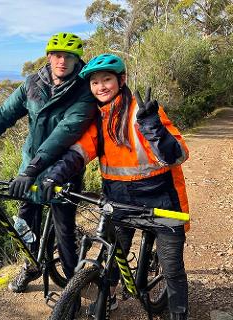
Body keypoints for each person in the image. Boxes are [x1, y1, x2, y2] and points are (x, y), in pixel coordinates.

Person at [0, 32, 97, 292]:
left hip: (63, 170)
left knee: (64, 233)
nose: (62, 61)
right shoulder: (33, 83)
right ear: (49, 57)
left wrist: (32, 170)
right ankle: (31, 266)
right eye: (57, 55)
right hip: (30, 168)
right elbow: (3, 115)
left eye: (69, 56)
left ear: (76, 59)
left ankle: (73, 291)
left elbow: (64, 134)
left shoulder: (84, 91)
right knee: (24, 224)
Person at [42, 53, 189, 319]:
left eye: (106, 79)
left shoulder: (141, 112)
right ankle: (106, 299)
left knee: (172, 269)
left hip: (162, 202)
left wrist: (152, 125)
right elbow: (79, 152)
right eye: (95, 82)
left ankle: (179, 314)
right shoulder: (97, 119)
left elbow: (176, 155)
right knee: (109, 261)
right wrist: (55, 176)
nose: (101, 87)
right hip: (120, 202)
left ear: (121, 80)